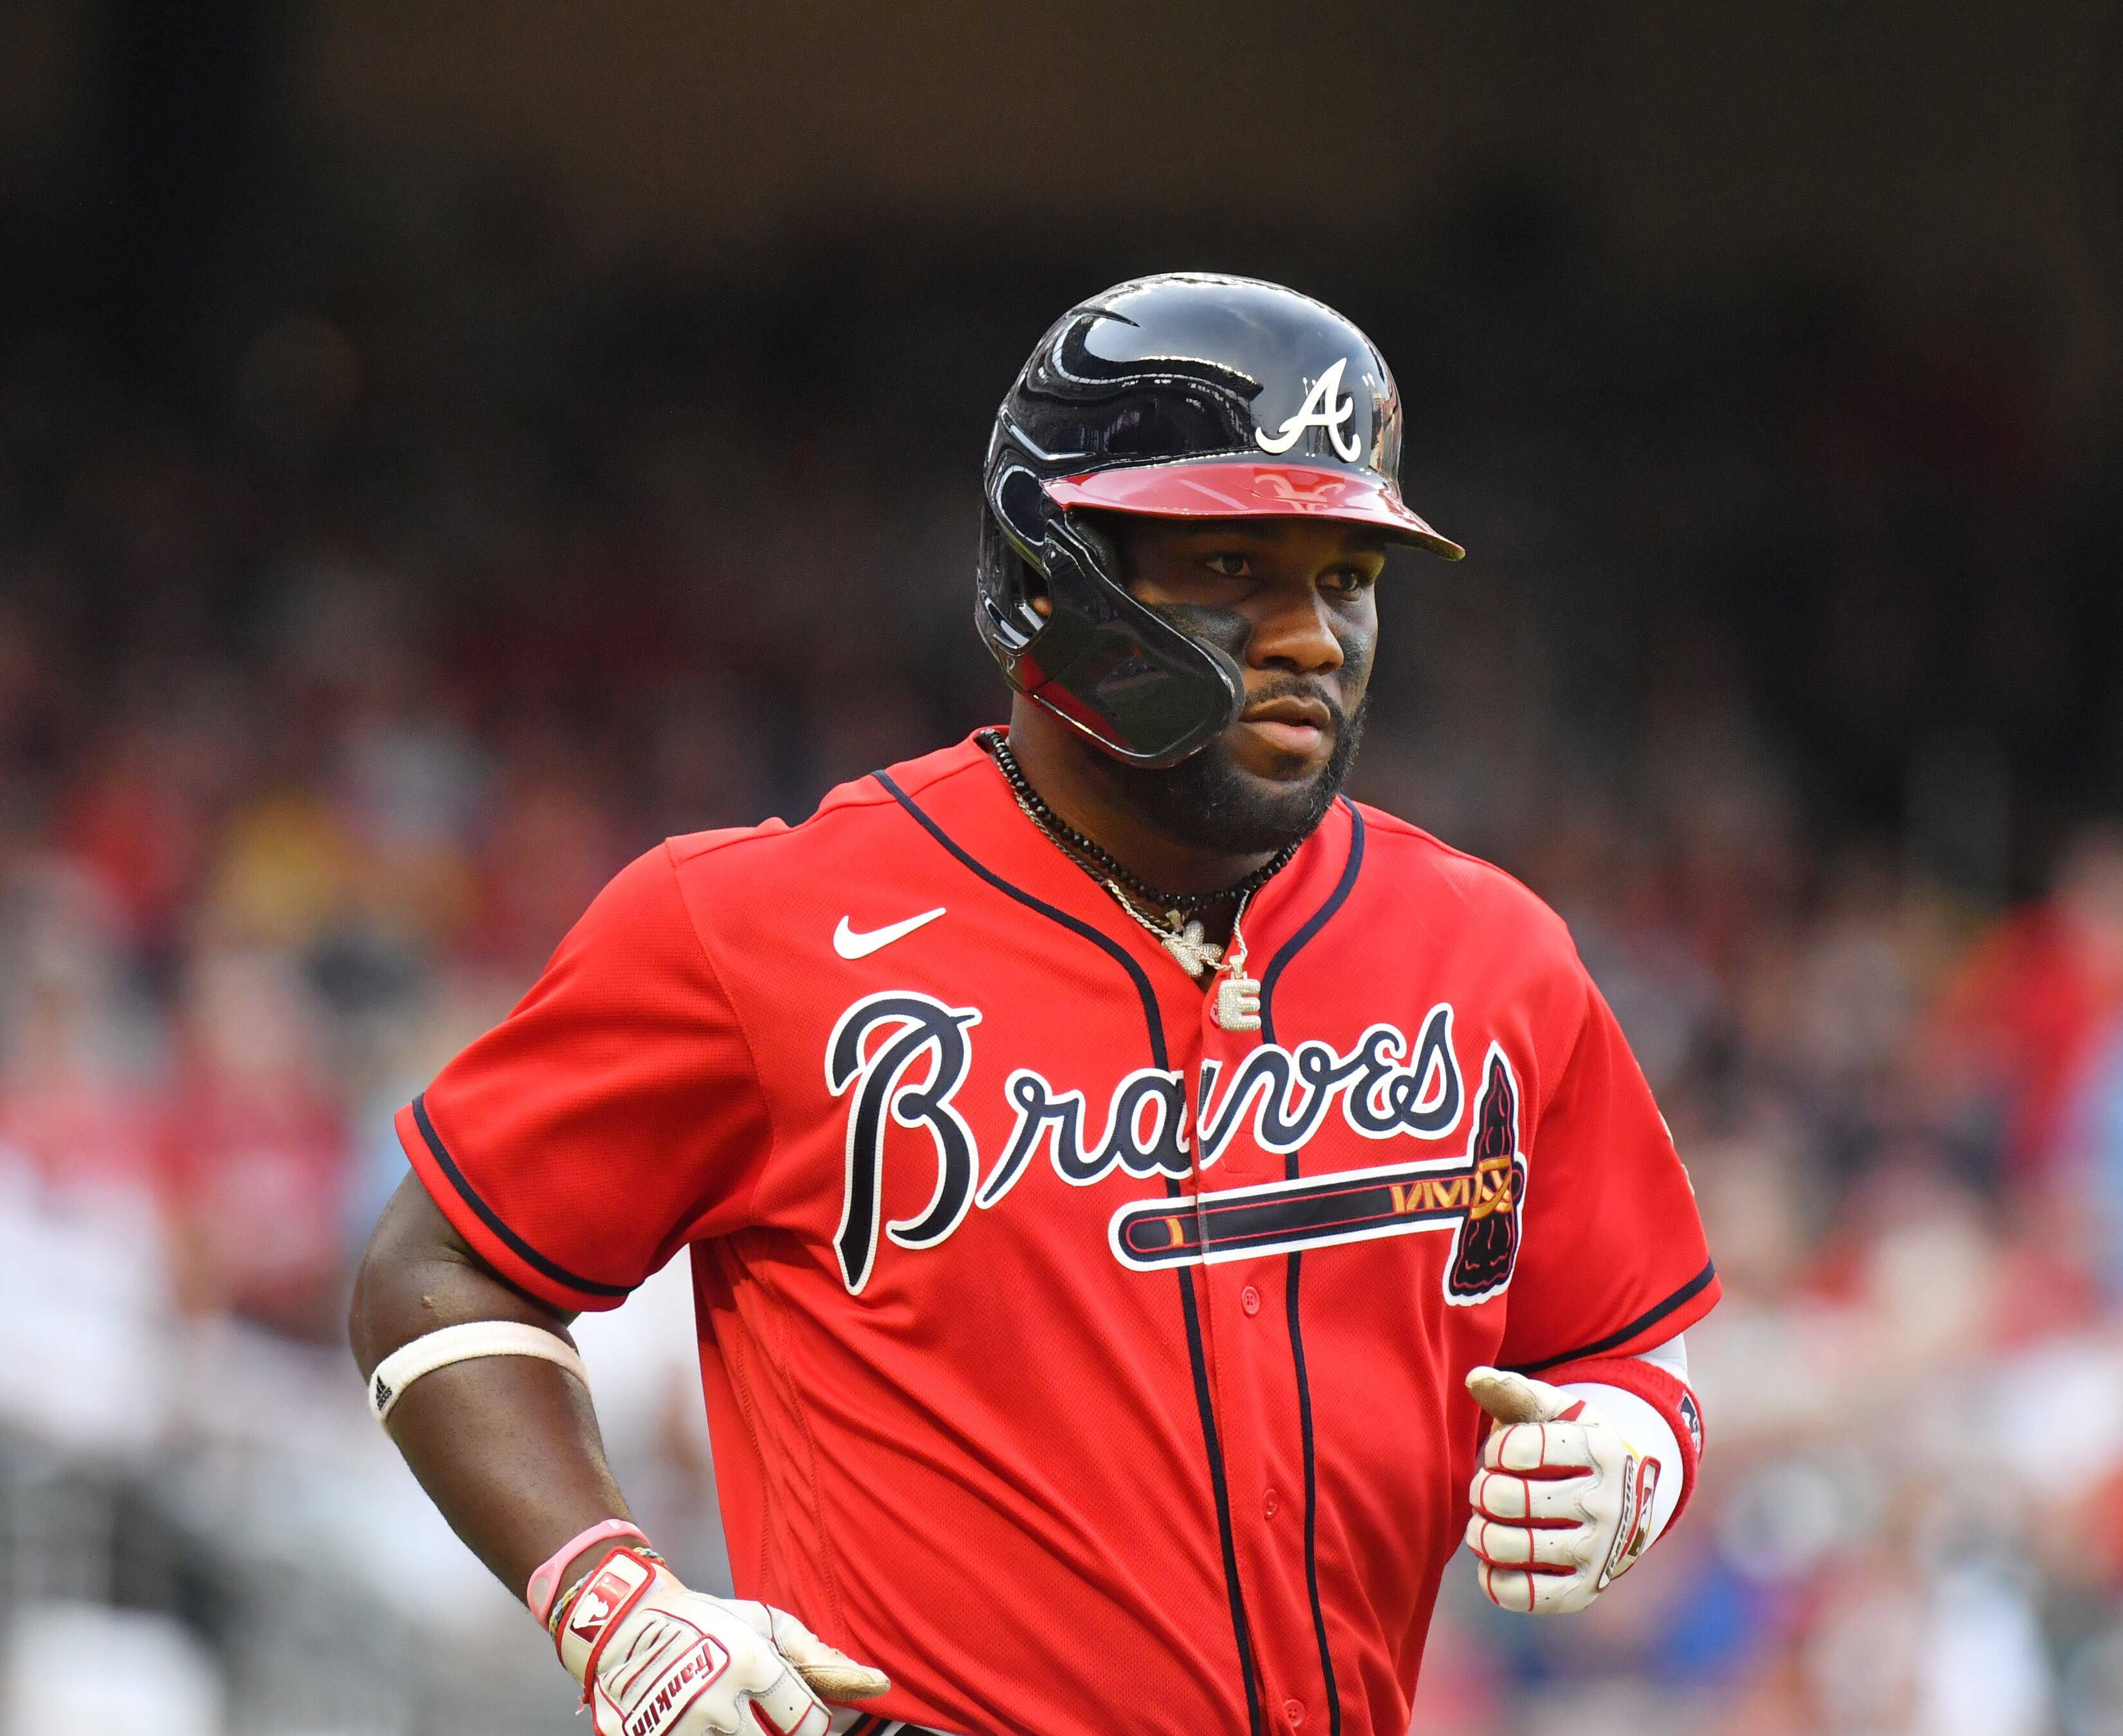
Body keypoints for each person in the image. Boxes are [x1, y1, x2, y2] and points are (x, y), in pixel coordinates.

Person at [349, 273, 1717, 1736]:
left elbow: (1625, 1334)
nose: (1313, 637)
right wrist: (610, 1599)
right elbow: (441, 1266)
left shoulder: (1491, 950)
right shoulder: (758, 927)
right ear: (1048, 573)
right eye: (1233, 566)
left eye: (1346, 577)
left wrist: (1629, 1443)